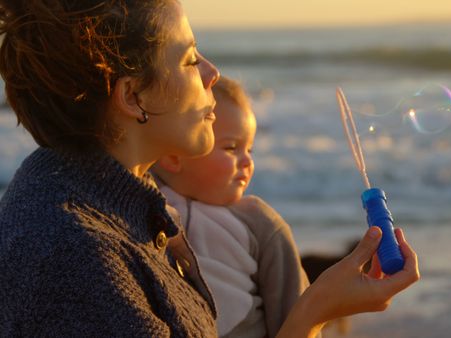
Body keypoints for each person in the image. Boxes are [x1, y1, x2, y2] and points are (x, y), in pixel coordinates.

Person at [0, 1, 420, 337]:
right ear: (132, 97)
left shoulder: (119, 209)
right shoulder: (74, 256)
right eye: (188, 59)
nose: (211, 72)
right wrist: (312, 313)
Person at [153, 76, 310, 337]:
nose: (247, 161)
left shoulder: (260, 223)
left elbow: (294, 311)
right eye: (232, 147)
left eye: (250, 149)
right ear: (173, 156)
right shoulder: (145, 202)